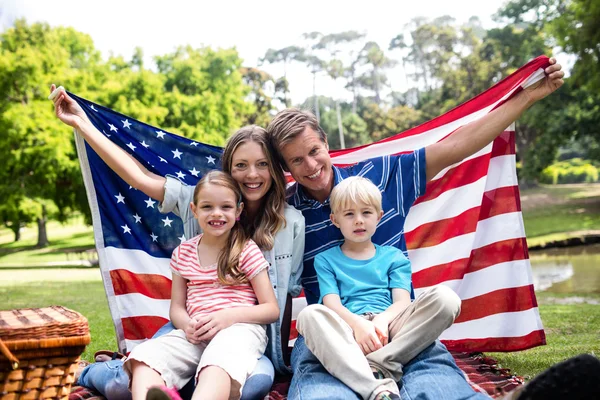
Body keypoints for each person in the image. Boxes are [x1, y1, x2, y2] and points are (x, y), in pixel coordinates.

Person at [265, 58, 598, 400]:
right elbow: (229, 211)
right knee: (325, 392)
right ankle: (373, 382)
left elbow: (457, 146)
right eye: (296, 160)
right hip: (332, 333)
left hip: (400, 323)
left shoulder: (382, 176)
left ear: (325, 143)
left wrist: (525, 98)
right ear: (284, 167)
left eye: (314, 151)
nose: (310, 165)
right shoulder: (285, 215)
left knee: (436, 383)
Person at [49, 85, 305, 399]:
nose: (251, 174)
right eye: (241, 165)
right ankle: (94, 372)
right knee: (121, 386)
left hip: (243, 337)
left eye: (262, 164)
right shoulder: (196, 201)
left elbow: (279, 303)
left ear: (275, 171)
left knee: (251, 386)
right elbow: (139, 177)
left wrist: (275, 355)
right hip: (192, 329)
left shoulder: (290, 223)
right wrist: (83, 123)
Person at [296, 176, 461, 400]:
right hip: (348, 329)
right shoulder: (325, 260)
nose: (358, 221)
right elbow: (331, 303)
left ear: (379, 216)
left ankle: (382, 362)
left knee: (446, 298)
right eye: (349, 214)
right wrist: (358, 325)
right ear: (335, 220)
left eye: (366, 213)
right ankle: (376, 390)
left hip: (392, 326)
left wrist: (382, 321)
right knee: (309, 315)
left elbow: (402, 302)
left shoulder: (393, 257)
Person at [123, 171, 279, 400]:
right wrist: (187, 325)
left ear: (238, 211)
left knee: (218, 361)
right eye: (207, 207)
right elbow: (176, 308)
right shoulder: (183, 253)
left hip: (238, 330)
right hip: (195, 334)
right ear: (194, 210)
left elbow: (271, 309)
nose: (217, 213)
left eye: (226, 207)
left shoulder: (246, 249)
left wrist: (227, 317)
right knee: (145, 356)